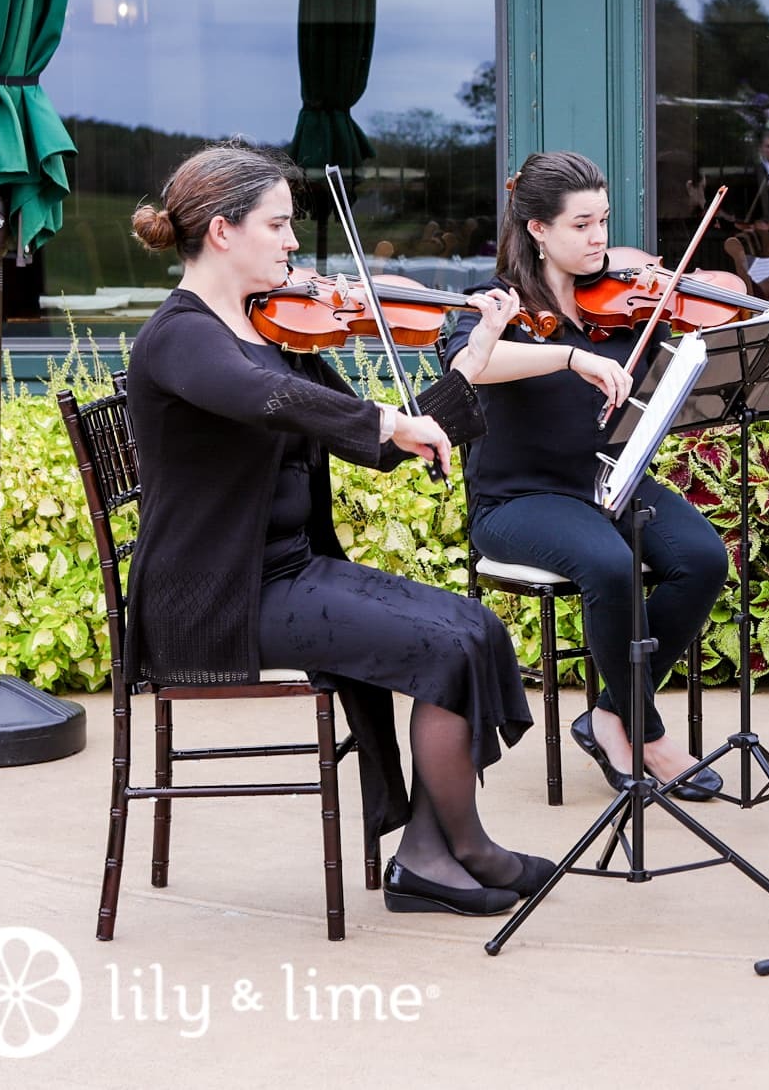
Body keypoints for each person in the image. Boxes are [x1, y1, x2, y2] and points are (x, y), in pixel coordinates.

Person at [125, 143, 547, 919]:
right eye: (278, 224)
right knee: (447, 647)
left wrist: (471, 360)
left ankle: (432, 848)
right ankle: (460, 853)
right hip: (218, 593)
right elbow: (264, 402)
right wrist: (381, 413)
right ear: (223, 231)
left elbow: (383, 446)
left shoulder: (268, 329)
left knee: (474, 626)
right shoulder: (180, 338)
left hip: (289, 570)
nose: (292, 242)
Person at [445, 150, 731, 800]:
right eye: (580, 224)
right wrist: (568, 356)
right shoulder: (497, 304)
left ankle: (606, 712)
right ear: (538, 229)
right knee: (608, 567)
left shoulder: (625, 299)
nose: (599, 238)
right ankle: (647, 732)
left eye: (602, 220)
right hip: (519, 500)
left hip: (610, 482)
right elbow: (470, 363)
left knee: (701, 558)